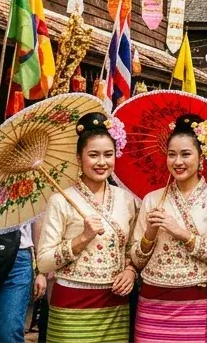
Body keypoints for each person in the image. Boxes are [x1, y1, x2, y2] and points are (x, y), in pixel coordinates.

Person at [129, 114, 207, 343]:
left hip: (195, 303)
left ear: (202, 156)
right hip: (152, 301)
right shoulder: (152, 200)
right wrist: (149, 233)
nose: (178, 162)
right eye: (172, 154)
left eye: (186, 154)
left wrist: (182, 233)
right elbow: (136, 260)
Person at [37, 112, 138, 342]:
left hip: (115, 303)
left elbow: (132, 249)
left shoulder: (126, 199)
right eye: (93, 155)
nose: (101, 162)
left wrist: (130, 272)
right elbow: (43, 261)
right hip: (72, 303)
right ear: (78, 157)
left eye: (108, 155)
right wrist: (82, 238)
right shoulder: (60, 200)